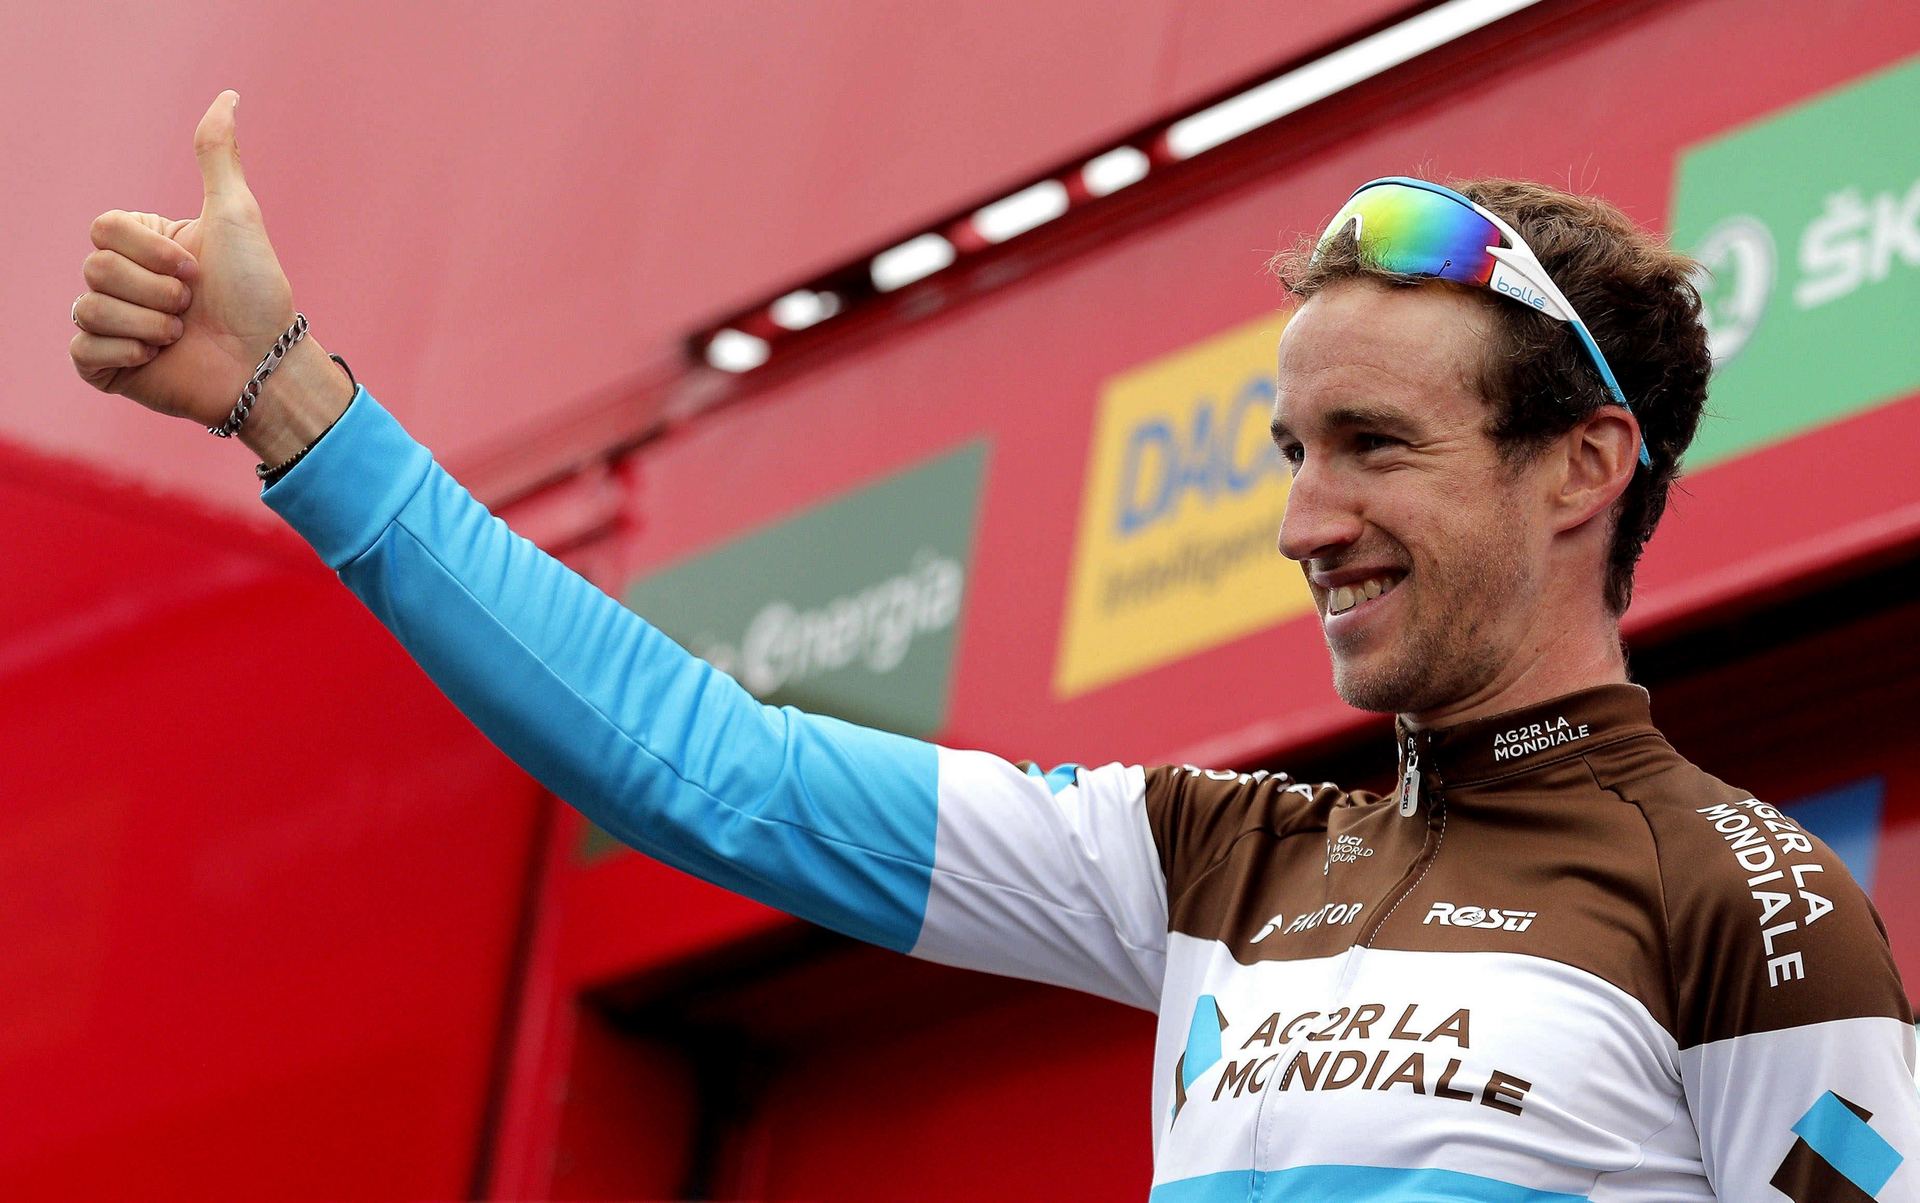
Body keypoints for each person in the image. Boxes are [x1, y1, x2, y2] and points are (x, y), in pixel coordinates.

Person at [70, 91, 1916, 1202]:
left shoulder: (1746, 907)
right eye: (1292, 452)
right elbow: (702, 771)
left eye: (1377, 450)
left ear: (1584, 465)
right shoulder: (1223, 863)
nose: (1301, 521)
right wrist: (285, 401)